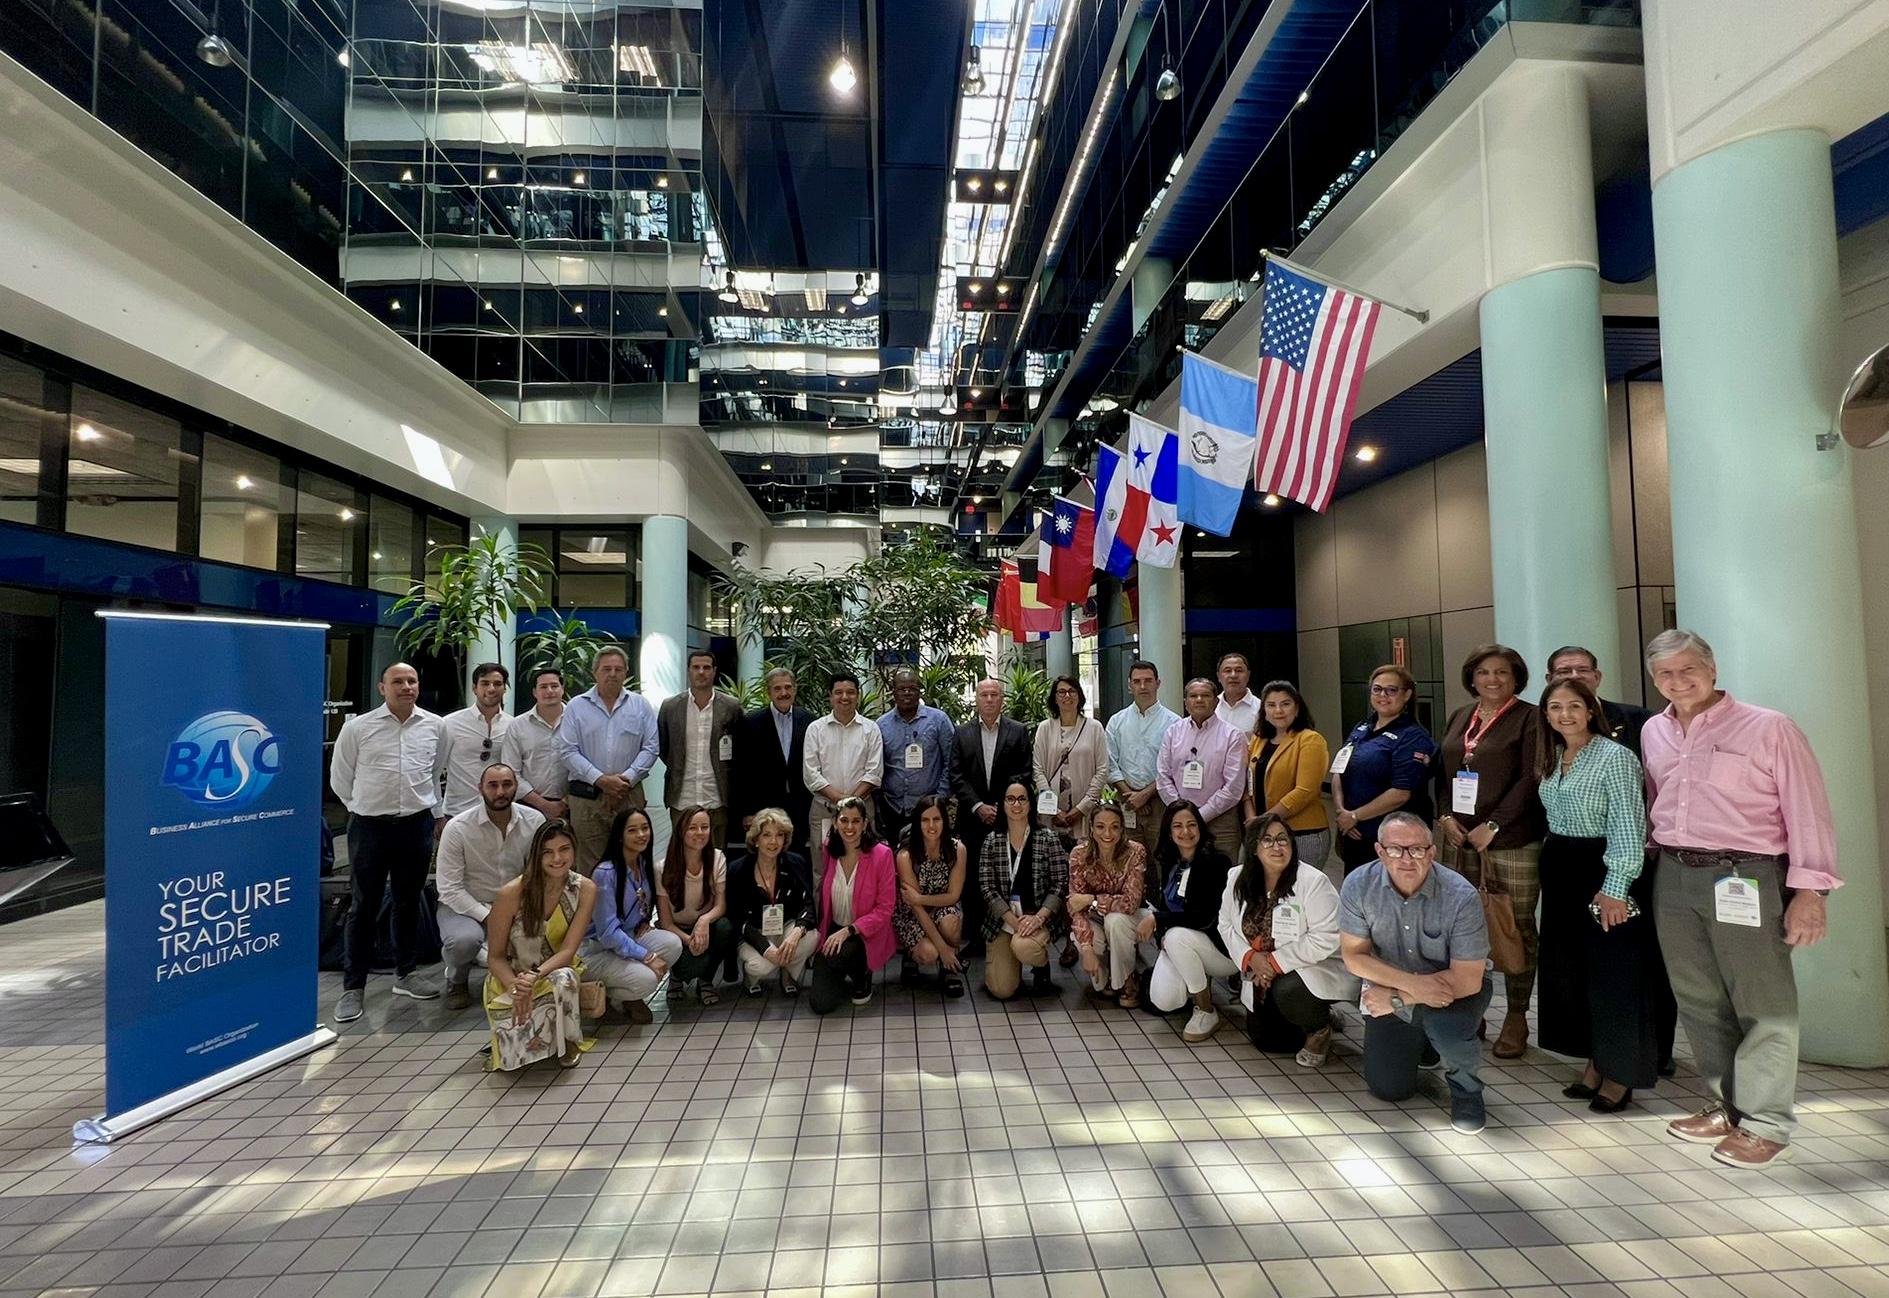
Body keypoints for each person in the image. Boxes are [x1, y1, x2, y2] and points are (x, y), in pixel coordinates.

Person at [1642, 629, 1840, 1168]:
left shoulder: (1770, 727)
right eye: (1665, 673)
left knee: (1763, 1001)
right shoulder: (1654, 732)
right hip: (1676, 874)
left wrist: (1810, 891)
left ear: (1712, 668)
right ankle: (1726, 1105)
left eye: (1688, 669)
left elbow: (1809, 811)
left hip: (1747, 875)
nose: (1678, 681)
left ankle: (1767, 1121)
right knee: (1699, 997)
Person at [1534, 677, 1658, 1112]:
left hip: (1603, 868)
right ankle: (1594, 1062)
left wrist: (1616, 887)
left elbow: (1629, 823)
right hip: (1562, 867)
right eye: (1554, 707)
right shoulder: (1552, 757)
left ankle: (1620, 1073)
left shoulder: (1616, 757)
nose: (1564, 714)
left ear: (1591, 711)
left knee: (1613, 974)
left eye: (1573, 706)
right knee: (1575, 973)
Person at [1339, 812, 1494, 1134]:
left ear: (1432, 851)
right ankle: (1422, 1041)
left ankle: (1466, 1090)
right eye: (1396, 850)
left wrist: (1397, 998)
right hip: (1396, 981)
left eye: (1417, 849)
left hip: (1455, 988)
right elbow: (1354, 956)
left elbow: (1468, 979)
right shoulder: (1358, 885)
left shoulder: (1461, 896)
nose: (1407, 859)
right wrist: (1413, 989)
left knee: (1449, 1030)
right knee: (1388, 1089)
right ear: (1380, 852)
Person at [1435, 644, 1545, 1060]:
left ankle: (1516, 1016)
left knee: (1513, 928)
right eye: (1483, 672)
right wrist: (1445, 816)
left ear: (1516, 677)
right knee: (1461, 926)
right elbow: (1443, 772)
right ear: (1472, 677)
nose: (1492, 680)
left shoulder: (1530, 717)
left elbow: (1532, 776)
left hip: (1511, 841)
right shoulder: (1462, 715)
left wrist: (1494, 825)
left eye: (1502, 672)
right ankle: (1471, 1005)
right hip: (1458, 838)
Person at [328, 662, 446, 1023]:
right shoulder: (359, 727)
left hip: (416, 825)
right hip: (369, 827)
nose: (406, 686)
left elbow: (434, 771)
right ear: (382, 687)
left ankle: (406, 973)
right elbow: (340, 778)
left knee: (408, 902)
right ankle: (353, 987)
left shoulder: (435, 726)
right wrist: (363, 808)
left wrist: (433, 812)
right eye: (398, 681)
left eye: (412, 680)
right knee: (363, 907)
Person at [1220, 812, 1358, 1066]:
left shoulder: (1313, 882)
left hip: (1312, 967)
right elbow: (1225, 925)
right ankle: (1317, 1013)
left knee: (1289, 991)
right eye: (1268, 840)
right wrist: (1251, 958)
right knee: (1269, 1041)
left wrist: (1273, 962)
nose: (1277, 846)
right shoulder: (1237, 878)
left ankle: (1319, 1027)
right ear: (1253, 847)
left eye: (1283, 840)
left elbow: (1326, 937)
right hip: (1261, 970)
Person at [484, 819, 596, 1071]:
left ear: (574, 849)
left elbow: (568, 951)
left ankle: (568, 1041)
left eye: (564, 849)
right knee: (513, 1060)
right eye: (548, 852)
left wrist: (533, 977)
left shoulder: (585, 889)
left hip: (552, 975)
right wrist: (516, 984)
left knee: (565, 977)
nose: (557, 858)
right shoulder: (511, 893)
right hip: (510, 978)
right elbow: (495, 957)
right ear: (537, 855)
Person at [436, 762, 545, 1011]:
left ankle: (525, 980)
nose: (500, 792)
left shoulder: (534, 820)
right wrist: (490, 917)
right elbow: (449, 888)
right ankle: (456, 979)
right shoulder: (458, 828)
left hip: (516, 903)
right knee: (464, 941)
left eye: (507, 785)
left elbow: (538, 872)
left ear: (516, 787)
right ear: (480, 789)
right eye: (492, 785)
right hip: (465, 905)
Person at [560, 646, 659, 874]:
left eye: (618, 669)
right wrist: (601, 780)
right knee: (590, 864)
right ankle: (592, 910)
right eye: (606, 669)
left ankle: (632, 908)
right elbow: (567, 750)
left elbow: (651, 747)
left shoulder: (640, 705)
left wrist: (625, 780)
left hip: (629, 793)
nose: (612, 674)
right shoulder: (576, 706)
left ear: (626, 673)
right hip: (587, 797)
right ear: (595, 672)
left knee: (632, 859)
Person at [1331, 665, 1438, 875]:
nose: (1383, 695)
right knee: (1357, 896)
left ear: (1406, 694)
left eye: (1391, 690)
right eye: (1377, 689)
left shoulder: (1412, 736)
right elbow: (1339, 771)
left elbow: (1400, 793)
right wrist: (1342, 812)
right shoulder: (1362, 728)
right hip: (1353, 832)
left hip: (1393, 841)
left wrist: (1355, 816)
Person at [1144, 802, 1236, 1042]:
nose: (1185, 832)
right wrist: (1160, 932)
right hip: (1182, 942)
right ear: (1169, 831)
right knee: (1163, 1000)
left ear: (1200, 827)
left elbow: (1203, 915)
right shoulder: (1170, 861)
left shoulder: (1217, 863)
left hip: (1220, 950)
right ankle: (1195, 979)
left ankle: (1205, 1008)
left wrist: (1159, 920)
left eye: (1191, 824)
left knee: (1176, 936)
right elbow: (1165, 907)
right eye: (1178, 826)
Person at [585, 807, 685, 1022]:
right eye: (632, 830)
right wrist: (646, 957)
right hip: (597, 949)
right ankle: (608, 995)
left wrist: (644, 921)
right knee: (647, 979)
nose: (641, 835)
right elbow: (608, 933)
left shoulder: (642, 863)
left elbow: (642, 905)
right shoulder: (605, 873)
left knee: (672, 944)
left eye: (645, 828)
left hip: (628, 934)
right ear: (620, 836)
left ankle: (628, 995)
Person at [953, 678, 1031, 945]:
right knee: (973, 876)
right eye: (984, 695)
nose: (989, 700)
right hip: (972, 817)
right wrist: (978, 806)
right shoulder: (961, 733)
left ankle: (1006, 930)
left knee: (1007, 873)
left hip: (1007, 816)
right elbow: (956, 775)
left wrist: (1001, 804)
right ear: (976, 699)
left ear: (1002, 699)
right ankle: (974, 937)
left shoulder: (1018, 731)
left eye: (994, 695)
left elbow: (1024, 771)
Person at [977, 777, 1070, 1000]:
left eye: (1022, 799)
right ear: (1002, 804)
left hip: (1036, 916)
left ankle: (1040, 966)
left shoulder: (1048, 839)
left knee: (1025, 947)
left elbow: (1060, 884)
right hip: (1004, 920)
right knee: (1002, 990)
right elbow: (987, 887)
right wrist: (1011, 920)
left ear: (1031, 804)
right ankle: (1012, 963)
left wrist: (1038, 918)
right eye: (1010, 799)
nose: (1016, 805)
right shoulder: (992, 841)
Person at [809, 797, 898, 1013]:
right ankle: (841, 972)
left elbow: (885, 908)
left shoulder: (882, 855)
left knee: (839, 954)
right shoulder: (829, 848)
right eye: (844, 820)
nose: (850, 827)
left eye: (856, 821)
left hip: (864, 934)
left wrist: (849, 930)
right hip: (834, 929)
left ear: (865, 823)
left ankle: (862, 973)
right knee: (821, 1004)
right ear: (836, 823)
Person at [1242, 680, 1333, 879]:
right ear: (1263, 710)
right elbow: (1246, 782)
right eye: (1271, 705)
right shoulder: (1259, 739)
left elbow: (1305, 791)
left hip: (1302, 833)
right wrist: (1252, 818)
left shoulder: (1310, 739)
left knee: (1298, 895)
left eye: (1285, 704)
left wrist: (1264, 820)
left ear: (1297, 708)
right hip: (1263, 830)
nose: (1278, 711)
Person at [727, 807, 818, 997]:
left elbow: (807, 905)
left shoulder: (795, 862)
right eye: (766, 835)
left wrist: (797, 932)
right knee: (762, 965)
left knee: (811, 937)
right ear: (756, 839)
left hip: (785, 928)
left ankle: (787, 975)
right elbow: (736, 918)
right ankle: (751, 979)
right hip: (753, 933)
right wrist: (766, 949)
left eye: (779, 835)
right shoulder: (738, 870)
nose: (773, 841)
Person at [1068, 798, 1149, 1006]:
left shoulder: (1135, 851)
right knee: (1083, 940)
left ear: (1122, 830)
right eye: (1101, 827)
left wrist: (1092, 899)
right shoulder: (1079, 854)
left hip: (1131, 918)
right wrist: (1086, 949)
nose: (1107, 834)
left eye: (1114, 827)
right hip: (1095, 918)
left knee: (1116, 920)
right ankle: (1108, 974)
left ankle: (1127, 978)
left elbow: (1131, 903)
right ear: (1092, 829)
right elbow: (1075, 907)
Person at [658, 649, 742, 846]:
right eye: (696, 667)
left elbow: (739, 750)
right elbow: (664, 747)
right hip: (682, 797)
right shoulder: (670, 707)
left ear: (714, 671)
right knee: (681, 857)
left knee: (717, 857)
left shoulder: (731, 706)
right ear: (688, 671)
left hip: (717, 797)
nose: (701, 672)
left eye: (706, 667)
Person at [1156, 678, 1246, 860]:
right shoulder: (1173, 732)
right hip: (1180, 822)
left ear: (1216, 701)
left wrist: (1199, 816)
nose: (1199, 699)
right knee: (1182, 877)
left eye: (1205, 695)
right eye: (1193, 696)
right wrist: (1182, 813)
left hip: (1221, 820)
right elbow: (1163, 776)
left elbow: (1234, 787)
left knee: (1222, 879)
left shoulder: (1232, 735)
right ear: (1186, 703)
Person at [653, 806, 733, 1005]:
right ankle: (676, 975)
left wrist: (704, 921)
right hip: (677, 932)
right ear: (681, 831)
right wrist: (689, 941)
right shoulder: (662, 868)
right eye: (692, 828)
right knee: (689, 967)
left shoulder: (717, 858)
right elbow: (664, 921)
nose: (699, 833)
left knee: (725, 927)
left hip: (705, 928)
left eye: (704, 827)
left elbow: (720, 906)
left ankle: (706, 981)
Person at [803, 673, 885, 863]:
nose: (844, 697)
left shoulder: (871, 729)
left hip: (862, 811)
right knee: (822, 868)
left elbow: (874, 773)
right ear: (830, 696)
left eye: (850, 692)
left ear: (858, 695)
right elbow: (811, 774)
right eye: (838, 692)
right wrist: (842, 802)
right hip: (825, 809)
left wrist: (851, 805)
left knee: (864, 865)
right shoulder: (815, 729)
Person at [893, 795, 967, 997]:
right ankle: (914, 956)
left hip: (942, 906)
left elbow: (953, 896)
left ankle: (948, 969)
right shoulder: (905, 855)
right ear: (917, 823)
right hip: (913, 914)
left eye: (937, 819)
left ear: (945, 820)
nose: (931, 825)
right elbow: (914, 906)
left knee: (951, 922)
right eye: (925, 820)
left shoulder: (958, 849)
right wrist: (942, 948)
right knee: (929, 953)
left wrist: (920, 898)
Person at [734, 668, 815, 851]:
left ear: (795, 689)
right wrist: (747, 812)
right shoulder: (750, 722)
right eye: (777, 688)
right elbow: (741, 771)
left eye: (788, 687)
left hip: (800, 807)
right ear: (768, 692)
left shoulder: (809, 721)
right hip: (764, 807)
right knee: (766, 856)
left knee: (796, 858)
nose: (783, 693)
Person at [876, 668, 957, 850]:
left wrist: (940, 798)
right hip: (893, 808)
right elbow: (877, 767)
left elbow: (951, 761)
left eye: (912, 688)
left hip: (929, 810)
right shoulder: (881, 725)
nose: (907, 693)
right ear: (893, 692)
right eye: (901, 689)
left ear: (919, 691)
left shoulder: (938, 720)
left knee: (928, 860)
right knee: (896, 862)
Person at [1108, 660, 1180, 858]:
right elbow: (1109, 762)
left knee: (1162, 859)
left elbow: (1175, 767)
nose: (1142, 686)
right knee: (1128, 861)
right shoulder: (1116, 721)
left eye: (1148, 681)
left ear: (1158, 683)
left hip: (1160, 802)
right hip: (1126, 802)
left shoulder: (1174, 723)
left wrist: (1145, 795)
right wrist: (1131, 795)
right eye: (1137, 681)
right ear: (1129, 685)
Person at [1032, 675, 1110, 842]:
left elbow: (1102, 770)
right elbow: (1038, 770)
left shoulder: (1094, 728)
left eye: (1071, 691)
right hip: (1050, 813)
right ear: (1055, 698)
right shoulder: (1045, 728)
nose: (1067, 696)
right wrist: (1053, 809)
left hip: (1084, 813)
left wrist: (1081, 808)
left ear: (1079, 695)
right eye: (1061, 692)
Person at [1547, 645, 1654, 757]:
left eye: (1583, 670)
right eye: (1564, 671)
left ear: (1597, 677)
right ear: (1550, 680)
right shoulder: (1539, 724)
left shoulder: (1638, 718)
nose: (1575, 676)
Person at [439, 663, 514, 817]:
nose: (491, 689)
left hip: (499, 811)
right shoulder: (450, 723)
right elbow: (435, 770)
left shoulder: (513, 725)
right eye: (485, 683)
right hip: (457, 811)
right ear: (474, 688)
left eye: (498, 684)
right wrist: (437, 813)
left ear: (505, 688)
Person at [505, 667, 569, 824]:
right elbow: (511, 772)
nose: (549, 691)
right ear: (534, 692)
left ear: (562, 689)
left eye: (554, 686)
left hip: (571, 805)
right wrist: (543, 805)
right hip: (528, 806)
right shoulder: (517, 726)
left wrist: (566, 802)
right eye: (543, 687)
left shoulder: (577, 722)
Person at [1214, 652, 1260, 735]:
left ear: (1248, 675)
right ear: (1219, 676)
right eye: (1227, 671)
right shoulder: (1211, 707)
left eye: (1239, 670)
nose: (1233, 675)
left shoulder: (1261, 708)